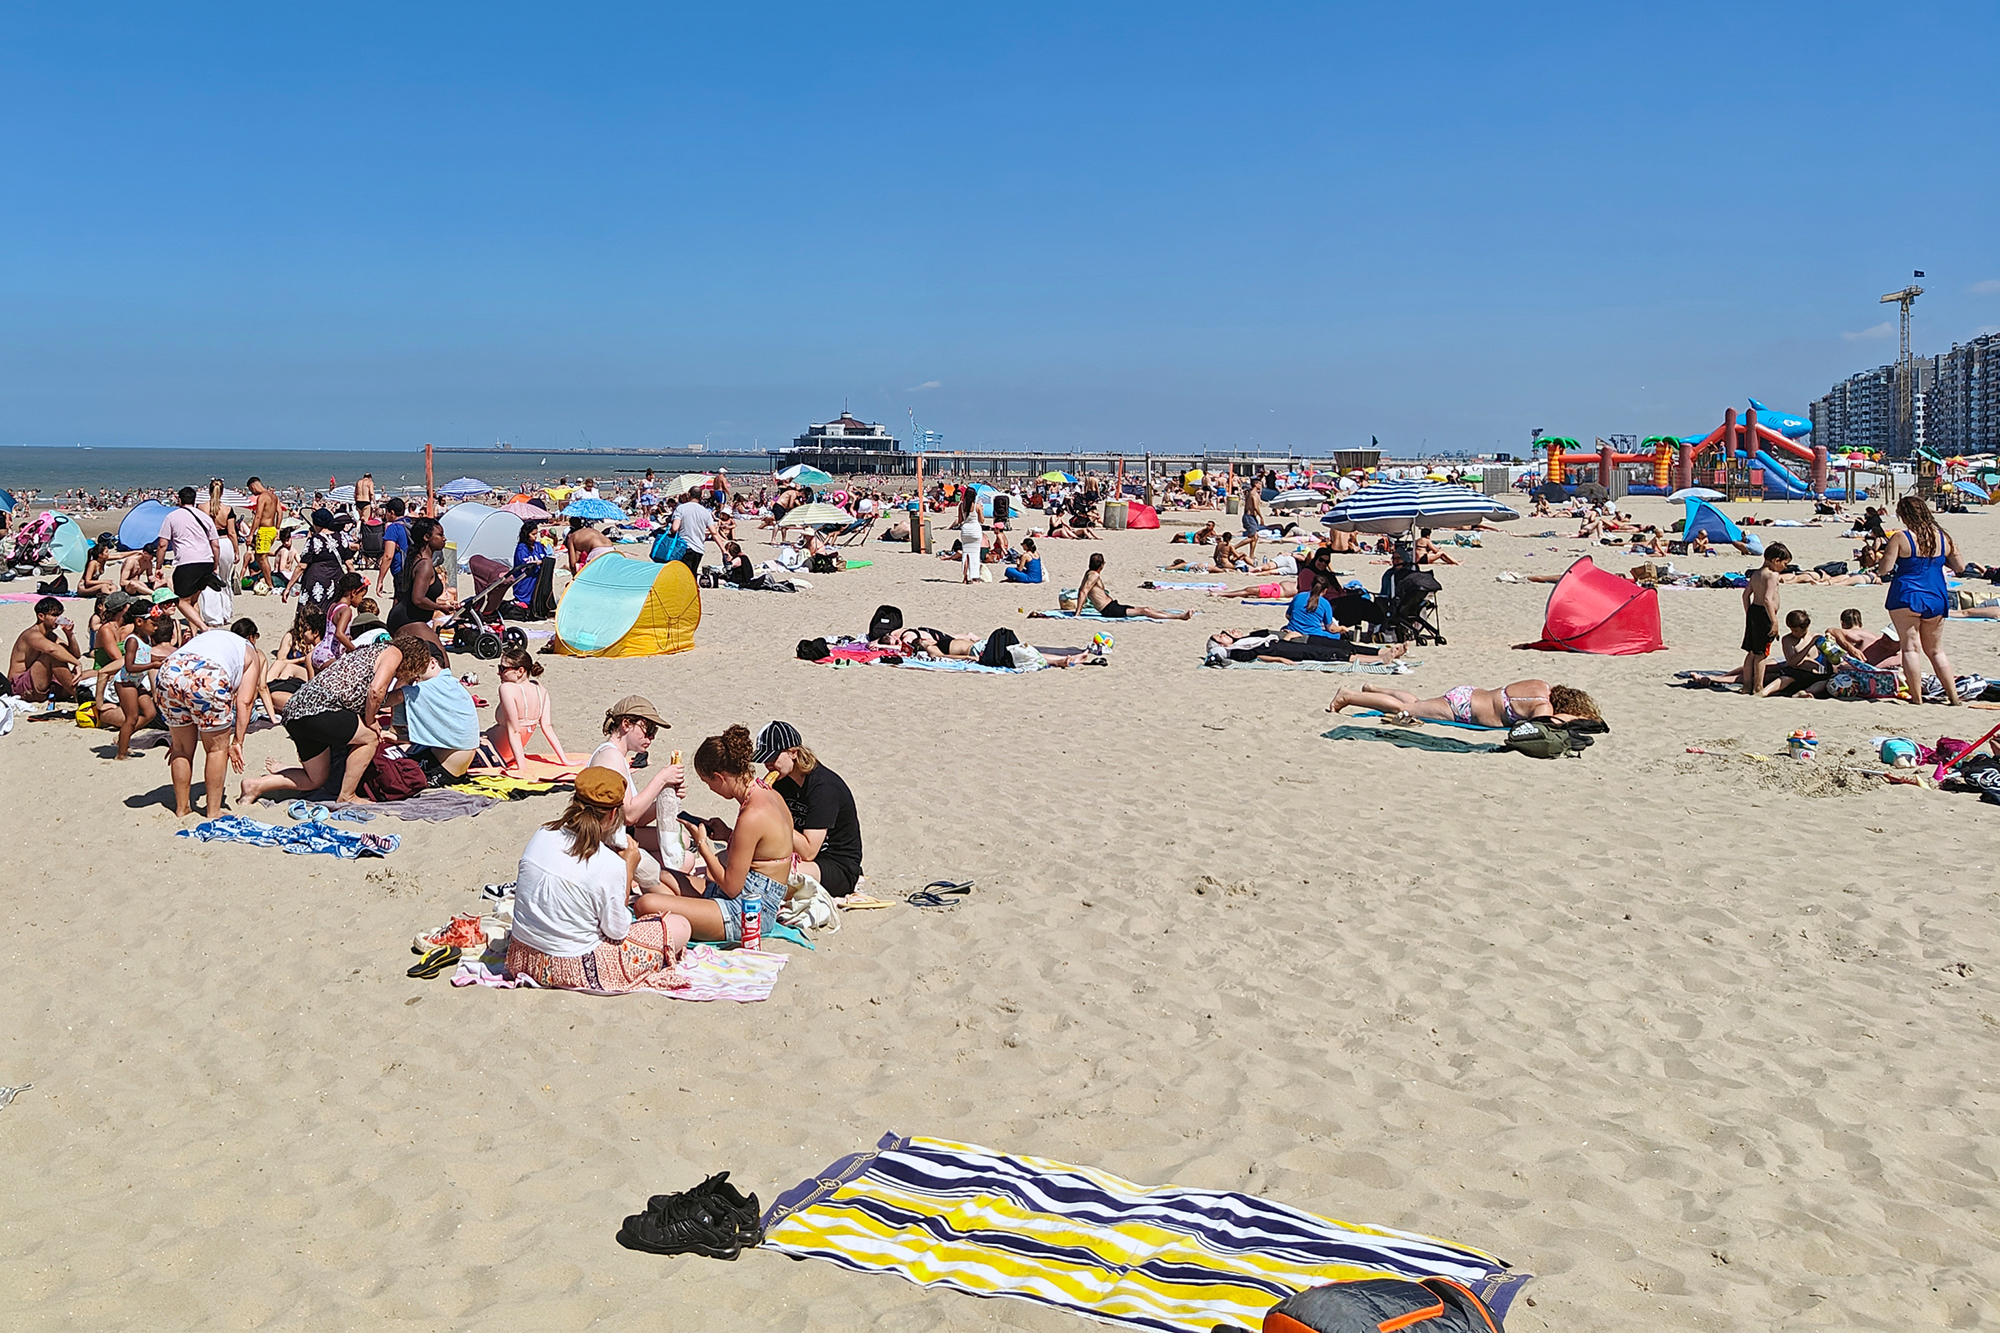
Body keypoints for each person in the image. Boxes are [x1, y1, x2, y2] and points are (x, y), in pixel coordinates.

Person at [502, 767, 692, 992]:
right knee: (680, 926)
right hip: (572, 965)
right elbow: (617, 930)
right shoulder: (607, 864)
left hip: (523, 958)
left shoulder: (542, 835)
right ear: (613, 815)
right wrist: (628, 867)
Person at [243, 634, 431, 806]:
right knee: (370, 738)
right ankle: (347, 796)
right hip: (320, 709)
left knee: (314, 779)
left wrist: (402, 695)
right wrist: (371, 720)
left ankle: (255, 786)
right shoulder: (393, 653)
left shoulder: (369, 652)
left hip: (296, 711)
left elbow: (371, 696)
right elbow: (376, 691)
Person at [652, 725, 796, 944]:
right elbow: (762, 851)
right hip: (751, 892)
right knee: (661, 877)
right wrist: (728, 834)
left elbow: (731, 887)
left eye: (708, 783)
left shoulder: (751, 815)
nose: (710, 789)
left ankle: (690, 918)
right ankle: (693, 914)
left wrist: (702, 844)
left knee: (647, 904)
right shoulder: (767, 794)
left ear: (719, 777)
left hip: (748, 912)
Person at [155, 618, 264, 817]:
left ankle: (182, 808)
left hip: (170, 671)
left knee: (180, 748)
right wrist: (238, 741)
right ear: (251, 638)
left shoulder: (209, 637)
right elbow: (245, 702)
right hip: (209, 675)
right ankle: (213, 811)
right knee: (216, 750)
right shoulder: (249, 651)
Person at [586, 695, 689, 894]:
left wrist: (666, 798)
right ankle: (633, 881)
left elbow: (634, 818)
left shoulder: (617, 756)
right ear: (626, 724)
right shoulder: (610, 758)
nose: (651, 738)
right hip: (608, 842)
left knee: (683, 843)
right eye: (648, 730)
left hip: (616, 834)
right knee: (683, 861)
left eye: (654, 732)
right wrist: (661, 780)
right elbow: (630, 816)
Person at [754, 720, 865, 898]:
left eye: (772, 757)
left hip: (836, 866)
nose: (767, 764)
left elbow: (808, 851)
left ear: (793, 753)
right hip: (796, 856)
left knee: (766, 873)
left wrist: (773, 818)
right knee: (746, 862)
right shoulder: (784, 782)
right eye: (763, 759)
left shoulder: (824, 788)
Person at [1877, 495, 1965, 706]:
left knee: (1910, 648)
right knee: (1936, 650)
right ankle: (1953, 697)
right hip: (1936, 595)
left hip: (1906, 594)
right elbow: (1960, 567)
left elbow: (1884, 569)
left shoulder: (1901, 537)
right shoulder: (1943, 537)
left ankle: (1916, 698)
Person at [1329, 679, 1600, 727]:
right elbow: (1546, 726)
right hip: (1466, 710)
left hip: (1469, 695)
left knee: (1420, 703)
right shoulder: (1544, 708)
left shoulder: (1540, 685)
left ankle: (1374, 688)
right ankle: (1350, 696)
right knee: (1406, 710)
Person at [100, 602, 167, 759]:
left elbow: (145, 655)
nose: (156, 627)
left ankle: (125, 735)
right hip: (125, 682)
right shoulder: (132, 640)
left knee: (150, 713)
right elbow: (129, 666)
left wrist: (159, 659)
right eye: (153, 623)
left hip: (136, 682)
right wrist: (153, 664)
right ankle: (121, 753)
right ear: (139, 622)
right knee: (132, 717)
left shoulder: (145, 639)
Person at [484, 645, 566, 772]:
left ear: (520, 671)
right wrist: (564, 760)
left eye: (503, 668)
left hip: (491, 753)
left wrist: (522, 768)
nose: (498, 672)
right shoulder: (540, 689)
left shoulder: (507, 688)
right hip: (508, 756)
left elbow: (514, 731)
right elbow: (547, 727)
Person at [387, 516, 457, 665]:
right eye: (440, 535)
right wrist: (441, 608)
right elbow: (418, 599)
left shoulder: (416, 559)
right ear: (426, 537)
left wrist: (444, 603)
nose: (444, 539)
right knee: (442, 663)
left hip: (404, 616)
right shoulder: (424, 565)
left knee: (414, 667)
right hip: (408, 619)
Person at [159, 486, 223, 633]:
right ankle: (195, 635)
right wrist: (215, 564)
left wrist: (158, 566)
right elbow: (215, 544)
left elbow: (163, 544)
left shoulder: (172, 517)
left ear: (179, 500)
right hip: (206, 560)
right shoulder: (205, 517)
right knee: (193, 601)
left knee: (181, 601)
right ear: (194, 500)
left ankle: (203, 628)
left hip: (187, 562)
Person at [1076, 552, 1193, 620]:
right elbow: (1083, 592)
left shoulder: (1091, 574)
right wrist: (1078, 613)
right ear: (1102, 564)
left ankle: (1177, 615)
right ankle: (1180, 617)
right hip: (1109, 610)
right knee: (1145, 611)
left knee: (1147, 609)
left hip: (1112, 606)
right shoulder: (1093, 575)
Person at [1739, 542, 1790, 697]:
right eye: (1784, 563)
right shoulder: (1773, 576)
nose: (1785, 567)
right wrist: (1774, 621)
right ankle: (1758, 686)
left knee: (1751, 652)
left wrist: (1749, 613)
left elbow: (1745, 595)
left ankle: (1746, 685)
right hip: (1765, 614)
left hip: (1754, 611)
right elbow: (1768, 599)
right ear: (1776, 560)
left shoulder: (1755, 574)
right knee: (1761, 654)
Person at [8, 596, 82, 701]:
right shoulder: (31, 635)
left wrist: (70, 635)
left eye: (59, 615)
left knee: (91, 674)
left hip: (42, 681)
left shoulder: (50, 636)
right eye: (54, 615)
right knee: (53, 656)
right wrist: (77, 664)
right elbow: (52, 650)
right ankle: (79, 696)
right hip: (20, 686)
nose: (58, 619)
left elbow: (74, 655)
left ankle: (84, 692)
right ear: (41, 616)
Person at [291, 508, 350, 612]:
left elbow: (302, 566)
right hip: (336, 581)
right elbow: (349, 563)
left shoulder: (314, 540)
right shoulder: (342, 538)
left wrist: (288, 587)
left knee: (310, 613)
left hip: (315, 581)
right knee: (331, 611)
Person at [311, 573, 367, 669]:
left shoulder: (333, 606)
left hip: (319, 651)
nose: (362, 600)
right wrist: (355, 650)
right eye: (362, 596)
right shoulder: (346, 610)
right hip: (329, 656)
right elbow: (339, 634)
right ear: (353, 592)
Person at [247, 477, 285, 594]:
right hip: (272, 529)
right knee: (259, 557)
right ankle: (267, 580)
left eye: (251, 490)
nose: (252, 492)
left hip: (265, 529)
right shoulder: (274, 496)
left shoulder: (262, 497)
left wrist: (251, 534)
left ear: (253, 486)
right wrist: (277, 527)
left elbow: (258, 516)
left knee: (262, 558)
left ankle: (270, 585)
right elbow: (280, 512)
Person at [670, 489, 715, 576]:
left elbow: (675, 528)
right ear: (701, 496)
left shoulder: (681, 508)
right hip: (699, 548)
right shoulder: (705, 511)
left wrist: (671, 531)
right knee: (692, 575)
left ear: (689, 494)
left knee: (683, 575)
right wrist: (724, 550)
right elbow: (713, 531)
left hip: (684, 546)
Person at [375, 497, 409, 595]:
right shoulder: (409, 523)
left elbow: (388, 556)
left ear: (392, 513)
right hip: (413, 568)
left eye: (387, 512)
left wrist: (380, 580)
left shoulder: (393, 528)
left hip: (400, 570)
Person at [958, 489, 983, 583]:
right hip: (975, 530)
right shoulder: (977, 506)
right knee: (975, 555)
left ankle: (965, 576)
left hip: (966, 530)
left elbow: (960, 519)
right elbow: (982, 520)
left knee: (966, 554)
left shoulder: (961, 505)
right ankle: (974, 576)